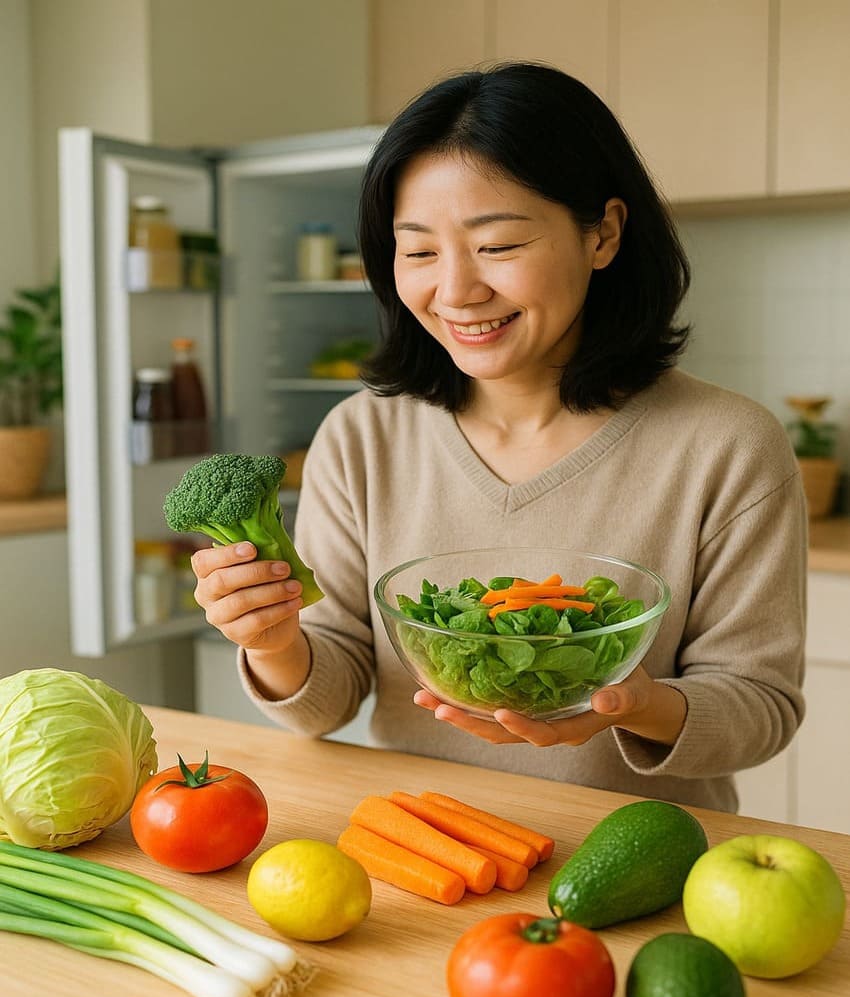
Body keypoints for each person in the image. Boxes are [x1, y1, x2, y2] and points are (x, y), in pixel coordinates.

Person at [192, 62, 807, 813]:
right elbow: (326, 698)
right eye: (418, 251)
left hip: (643, 863)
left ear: (604, 234)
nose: (455, 291)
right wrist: (271, 639)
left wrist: (632, 704)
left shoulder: (728, 445)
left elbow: (761, 710)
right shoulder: (362, 437)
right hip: (428, 853)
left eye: (500, 245)